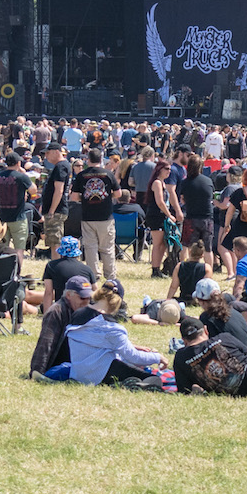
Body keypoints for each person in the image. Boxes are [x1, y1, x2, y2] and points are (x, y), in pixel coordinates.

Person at [61, 283, 164, 385]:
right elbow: (132, 356)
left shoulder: (76, 315)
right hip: (100, 374)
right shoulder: (110, 327)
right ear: (117, 301)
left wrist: (133, 346)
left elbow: (95, 342)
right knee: (154, 380)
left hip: (78, 374)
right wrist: (157, 357)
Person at [71, 148, 120, 281]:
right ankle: (110, 276)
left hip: (88, 216)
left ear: (88, 159)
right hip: (106, 216)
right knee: (107, 248)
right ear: (101, 159)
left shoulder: (81, 176)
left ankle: (93, 274)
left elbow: (74, 197)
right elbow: (118, 194)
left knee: (90, 247)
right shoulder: (108, 174)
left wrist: (86, 198)